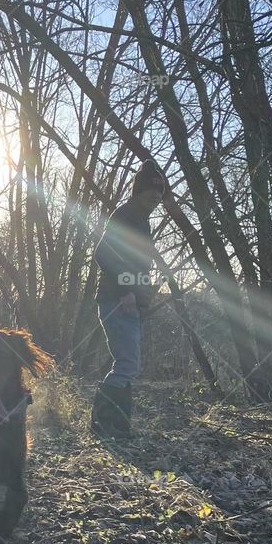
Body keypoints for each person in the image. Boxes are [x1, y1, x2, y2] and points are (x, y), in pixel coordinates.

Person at [91, 159, 168, 440]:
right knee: (127, 365)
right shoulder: (126, 215)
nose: (157, 195)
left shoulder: (140, 218)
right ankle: (103, 423)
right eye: (152, 189)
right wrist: (125, 290)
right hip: (117, 300)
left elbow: (134, 264)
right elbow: (104, 253)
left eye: (161, 191)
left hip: (129, 301)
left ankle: (119, 426)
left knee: (128, 364)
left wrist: (143, 289)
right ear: (139, 190)